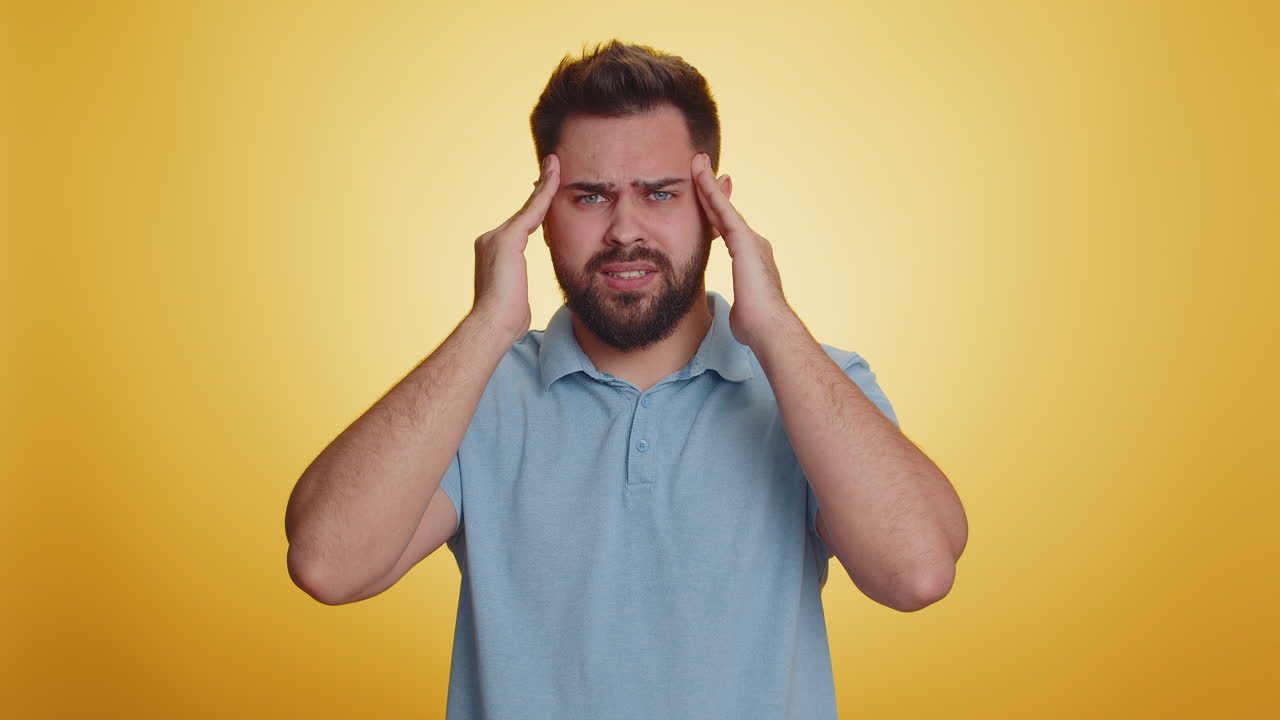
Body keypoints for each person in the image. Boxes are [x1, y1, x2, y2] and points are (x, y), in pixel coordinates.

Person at [285, 40, 967, 719]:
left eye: (661, 193)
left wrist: (776, 327)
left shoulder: (814, 387)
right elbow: (328, 564)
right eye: (588, 197)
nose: (625, 230)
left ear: (715, 206)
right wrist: (487, 326)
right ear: (542, 216)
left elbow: (918, 572)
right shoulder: (478, 394)